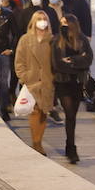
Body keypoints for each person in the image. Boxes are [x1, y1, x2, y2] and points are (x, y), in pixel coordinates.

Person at [53, 12, 94, 163]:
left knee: (73, 116)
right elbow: (57, 64)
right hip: (62, 82)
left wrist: (71, 61)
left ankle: (69, 145)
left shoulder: (82, 39)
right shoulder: (57, 40)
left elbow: (88, 59)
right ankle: (71, 148)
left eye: (66, 23)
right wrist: (77, 63)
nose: (63, 26)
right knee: (69, 113)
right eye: (61, 23)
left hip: (77, 83)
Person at [13, 8, 55, 155]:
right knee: (35, 111)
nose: (42, 22)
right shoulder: (25, 39)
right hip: (32, 81)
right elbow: (19, 61)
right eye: (39, 19)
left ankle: (39, 141)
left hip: (47, 81)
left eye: (44, 19)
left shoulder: (52, 40)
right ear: (33, 22)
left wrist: (54, 77)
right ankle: (36, 143)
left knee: (44, 111)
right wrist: (25, 76)